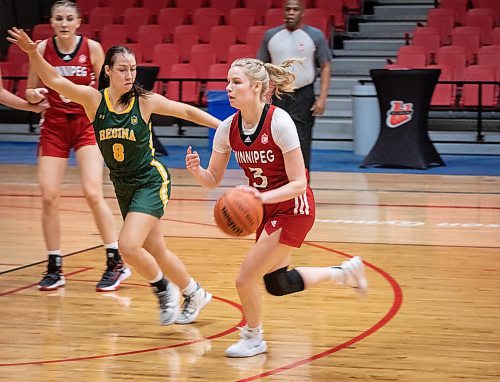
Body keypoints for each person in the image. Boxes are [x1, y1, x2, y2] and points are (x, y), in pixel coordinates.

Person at [8, 29, 220, 325]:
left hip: (150, 179)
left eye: (133, 69)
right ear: (107, 71)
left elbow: (186, 111)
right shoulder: (94, 100)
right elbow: (55, 80)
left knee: (128, 246)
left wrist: (224, 128)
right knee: (155, 248)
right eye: (122, 69)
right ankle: (195, 292)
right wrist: (33, 53)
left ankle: (163, 290)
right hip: (123, 185)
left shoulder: (144, 101)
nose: (130, 74)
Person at [185, 57, 367, 357]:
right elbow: (212, 180)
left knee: (244, 278)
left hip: (293, 207)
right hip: (267, 208)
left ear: (256, 87)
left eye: (236, 82)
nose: (228, 88)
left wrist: (260, 198)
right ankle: (344, 273)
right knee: (277, 283)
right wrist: (197, 171)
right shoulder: (227, 129)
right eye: (228, 82)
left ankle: (254, 337)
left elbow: (298, 182)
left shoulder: (279, 121)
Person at [22, 0, 130, 292]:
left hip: (87, 124)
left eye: (70, 18)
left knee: (93, 192)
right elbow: (30, 88)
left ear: (79, 21)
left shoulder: (92, 48)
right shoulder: (42, 49)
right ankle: (54, 265)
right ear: (52, 21)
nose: (64, 23)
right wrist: (35, 94)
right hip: (54, 125)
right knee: (48, 197)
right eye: (59, 18)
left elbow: (106, 89)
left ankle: (115, 261)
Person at [257, 0, 332, 170]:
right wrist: (261, 97)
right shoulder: (270, 36)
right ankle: (277, 182)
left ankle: (302, 185)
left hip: (303, 95)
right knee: (274, 139)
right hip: (278, 94)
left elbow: (326, 66)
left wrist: (322, 98)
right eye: (288, 9)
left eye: (295, 9)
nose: (291, 12)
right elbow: (260, 67)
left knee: (302, 140)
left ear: (303, 12)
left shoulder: (315, 36)